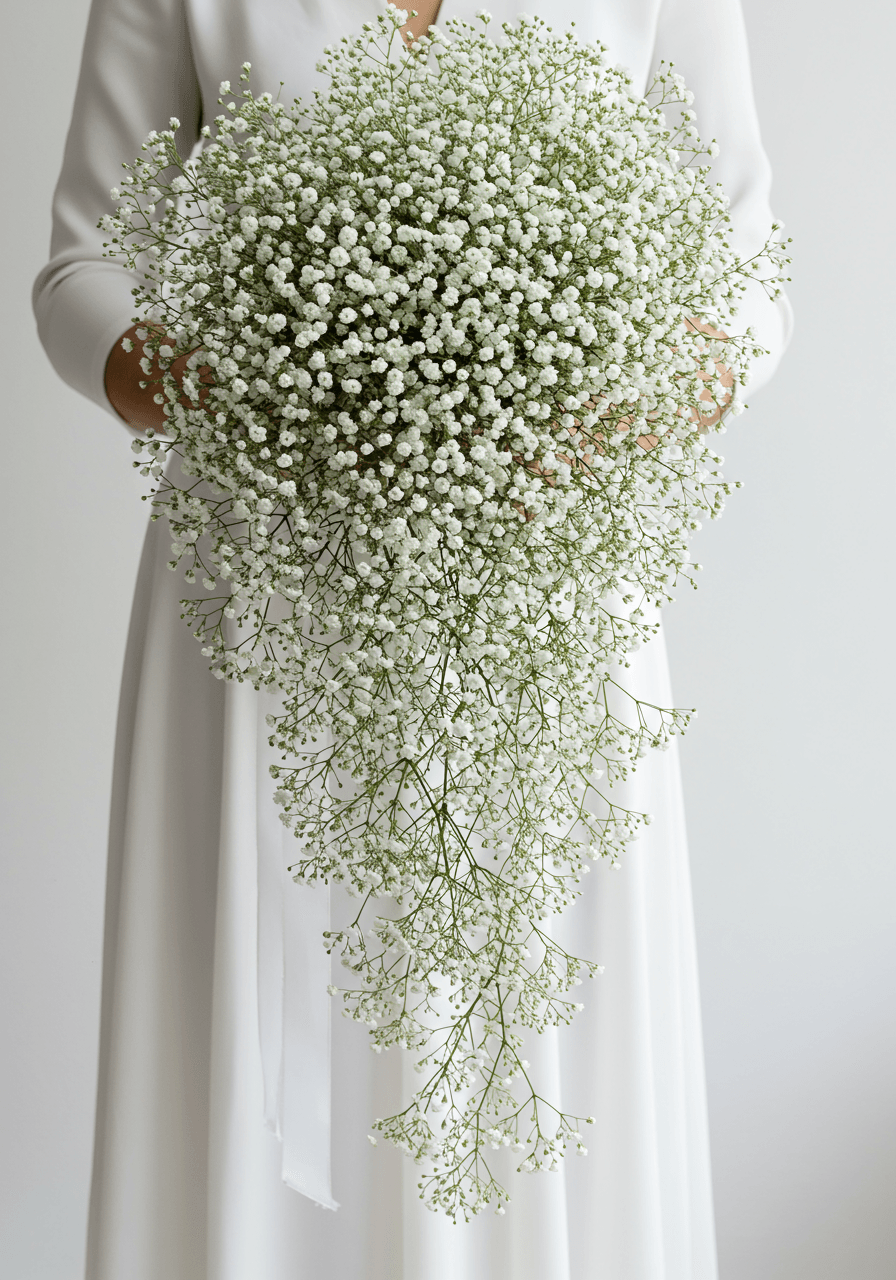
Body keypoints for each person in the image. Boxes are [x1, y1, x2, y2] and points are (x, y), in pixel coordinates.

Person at [33, 1, 792, 1277]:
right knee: (266, 1032)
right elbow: (83, 275)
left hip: (542, 616)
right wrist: (273, 387)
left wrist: (600, 401)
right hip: (265, 610)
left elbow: (744, 276)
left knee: (541, 1058)